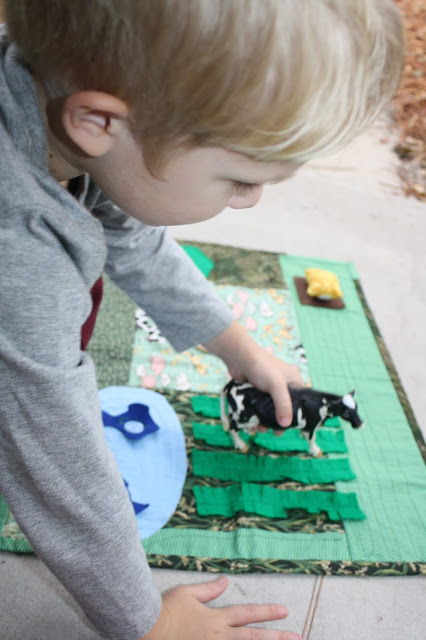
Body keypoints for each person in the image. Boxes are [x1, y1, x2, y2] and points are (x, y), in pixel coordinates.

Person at [0, 1, 403, 639]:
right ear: (99, 121)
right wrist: (147, 622)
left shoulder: (72, 120)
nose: (253, 200)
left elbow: (130, 233)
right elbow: (53, 454)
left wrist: (238, 347)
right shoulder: (20, 252)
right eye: (240, 179)